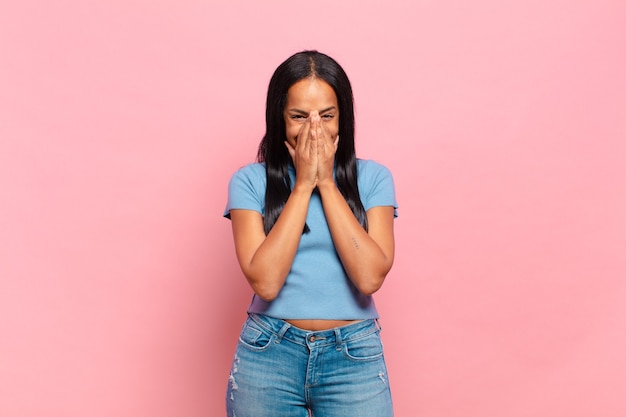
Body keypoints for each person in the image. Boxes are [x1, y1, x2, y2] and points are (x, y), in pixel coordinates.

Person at [223, 50, 398, 417]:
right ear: (279, 119)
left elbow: (369, 277)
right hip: (269, 353)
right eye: (299, 117)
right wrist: (303, 186)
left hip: (353, 356)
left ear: (343, 119)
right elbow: (267, 283)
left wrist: (328, 185)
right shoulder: (250, 182)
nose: (314, 129)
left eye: (327, 116)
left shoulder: (373, 179)